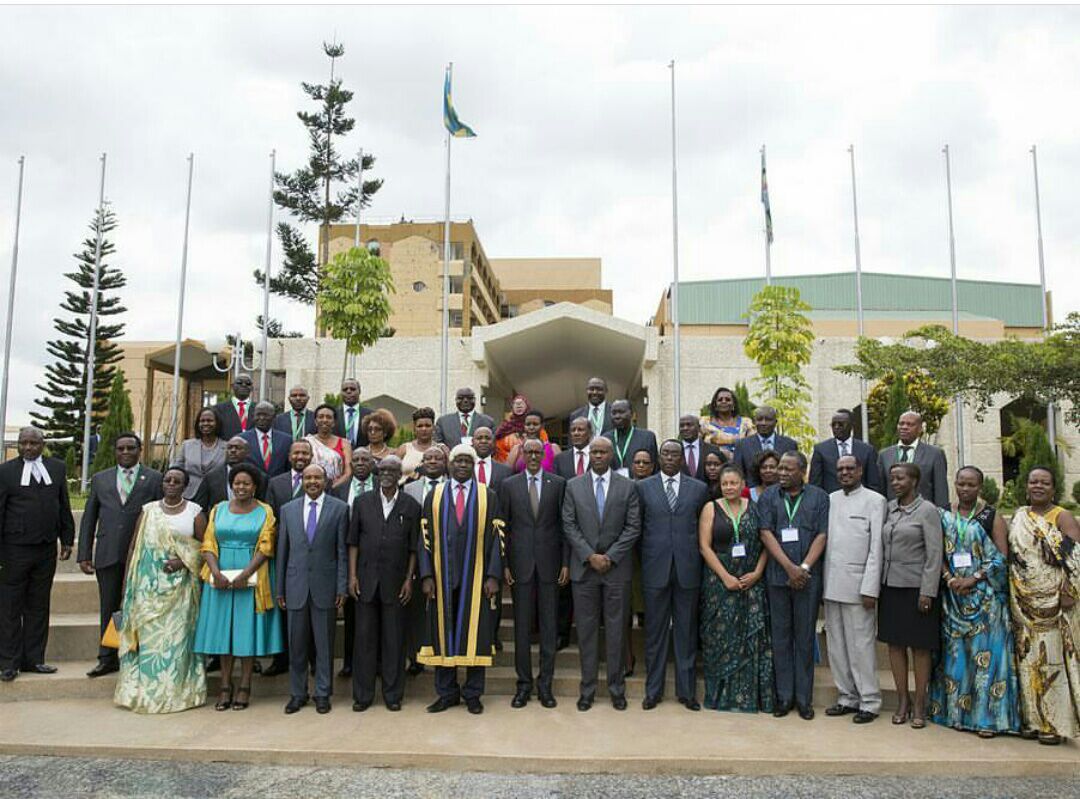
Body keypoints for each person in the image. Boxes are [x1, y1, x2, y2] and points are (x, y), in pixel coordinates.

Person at [930, 465, 1019, 738]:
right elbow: (937, 550)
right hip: (954, 597)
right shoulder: (944, 513)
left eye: (971, 485)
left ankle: (986, 721)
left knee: (987, 663)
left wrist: (974, 578)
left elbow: (1001, 557)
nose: (965, 489)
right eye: (961, 484)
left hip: (986, 601)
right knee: (957, 658)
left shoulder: (991, 516)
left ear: (980, 487)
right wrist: (949, 577)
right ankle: (955, 715)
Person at [417, 445, 503, 715]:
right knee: (443, 634)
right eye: (458, 461)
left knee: (475, 634)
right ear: (449, 465)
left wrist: (493, 575)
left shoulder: (488, 496)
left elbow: (498, 537)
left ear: (473, 464)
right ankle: (446, 693)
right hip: (441, 577)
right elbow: (424, 538)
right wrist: (427, 575)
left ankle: (473, 694)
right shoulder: (435, 495)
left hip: (476, 576)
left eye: (468, 461)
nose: (463, 465)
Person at [114, 466, 207, 714]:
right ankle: (145, 693)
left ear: (185, 486)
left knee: (177, 642)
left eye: (178, 481)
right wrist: (127, 587)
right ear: (162, 483)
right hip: (147, 589)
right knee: (149, 642)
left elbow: (204, 549)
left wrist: (182, 561)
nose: (172, 484)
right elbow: (135, 548)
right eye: (168, 480)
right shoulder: (149, 511)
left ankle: (176, 694)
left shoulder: (195, 513)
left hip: (181, 591)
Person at [193, 463, 284, 711]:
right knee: (224, 632)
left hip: (252, 576)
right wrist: (215, 571)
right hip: (220, 578)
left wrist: (245, 574)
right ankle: (224, 685)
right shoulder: (218, 509)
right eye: (236, 483)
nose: (240, 487)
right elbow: (209, 543)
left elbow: (267, 546)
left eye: (246, 483)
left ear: (255, 486)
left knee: (245, 632)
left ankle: (244, 685)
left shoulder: (265, 511)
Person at [561, 437, 641, 711]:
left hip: (616, 570)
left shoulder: (628, 486)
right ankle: (587, 690)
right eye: (593, 451)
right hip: (584, 571)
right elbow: (568, 524)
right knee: (586, 632)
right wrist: (589, 556)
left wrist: (610, 556)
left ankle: (617, 689)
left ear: (611, 456)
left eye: (602, 452)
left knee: (617, 631)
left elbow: (633, 526)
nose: (597, 455)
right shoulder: (573, 486)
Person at [78, 432, 164, 677]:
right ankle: (107, 657)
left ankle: (139, 654)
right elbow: (89, 518)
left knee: (141, 606)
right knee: (109, 606)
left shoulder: (155, 478)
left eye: (130, 448)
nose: (125, 452)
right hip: (108, 553)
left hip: (142, 554)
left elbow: (160, 516)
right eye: (121, 448)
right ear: (115, 451)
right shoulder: (101, 479)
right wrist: (84, 553)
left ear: (140, 450)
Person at [1007, 466, 1080, 744]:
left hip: (1053, 604)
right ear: (1026, 486)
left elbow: (1076, 561)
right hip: (1022, 601)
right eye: (1033, 481)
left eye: (1044, 482)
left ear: (1053, 488)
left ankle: (1054, 724)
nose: (1038, 486)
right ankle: (1032, 720)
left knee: (1051, 662)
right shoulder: (1019, 516)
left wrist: (1069, 591)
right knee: (1026, 662)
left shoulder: (1063, 517)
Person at [637, 440, 710, 711]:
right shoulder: (643, 487)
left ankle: (686, 692)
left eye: (675, 454)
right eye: (665, 453)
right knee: (654, 634)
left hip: (688, 571)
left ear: (683, 458)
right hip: (654, 569)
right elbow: (638, 529)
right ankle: (653, 691)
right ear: (659, 457)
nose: (670, 457)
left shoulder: (699, 489)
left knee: (686, 633)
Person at [758, 450, 829, 720]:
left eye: (788, 469)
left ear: (802, 471)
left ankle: (804, 699)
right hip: (778, 577)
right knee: (781, 638)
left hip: (807, 580)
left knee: (804, 637)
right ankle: (784, 697)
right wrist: (789, 567)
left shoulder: (819, 497)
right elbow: (765, 532)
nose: (782, 473)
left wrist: (804, 568)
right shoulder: (768, 497)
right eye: (780, 469)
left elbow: (823, 534)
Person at [0, 427, 75, 682]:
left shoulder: (56, 468)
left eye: (34, 443)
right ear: (18, 445)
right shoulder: (6, 471)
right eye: (24, 443)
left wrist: (66, 538)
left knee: (38, 605)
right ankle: (8, 662)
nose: (28, 447)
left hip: (45, 549)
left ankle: (34, 659)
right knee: (10, 606)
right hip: (14, 548)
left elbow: (63, 504)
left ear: (43, 444)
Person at [498, 438, 568, 709]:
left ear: (544, 454)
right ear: (522, 455)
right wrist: (504, 564)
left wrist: (565, 563)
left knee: (549, 629)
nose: (535, 457)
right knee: (522, 629)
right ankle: (524, 685)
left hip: (551, 565)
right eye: (530, 452)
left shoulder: (558, 484)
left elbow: (564, 527)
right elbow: (502, 527)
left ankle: (545, 686)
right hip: (520, 566)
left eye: (539, 452)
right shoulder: (509, 485)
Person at [348, 455, 420, 712]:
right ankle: (363, 696)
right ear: (376, 473)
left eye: (393, 469)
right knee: (364, 641)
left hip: (396, 582)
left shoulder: (410, 505)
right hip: (366, 582)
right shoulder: (362, 502)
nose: (387, 473)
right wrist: (352, 576)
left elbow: (414, 548)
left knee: (394, 641)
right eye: (383, 469)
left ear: (400, 474)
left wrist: (409, 580)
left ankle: (393, 695)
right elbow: (353, 542)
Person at [698, 464, 773, 712]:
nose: (729, 487)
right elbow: (705, 547)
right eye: (725, 484)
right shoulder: (711, 508)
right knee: (721, 639)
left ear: (743, 485)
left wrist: (758, 572)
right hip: (719, 583)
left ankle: (750, 698)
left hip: (751, 582)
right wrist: (725, 576)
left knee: (750, 639)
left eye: (734, 483)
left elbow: (765, 543)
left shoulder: (755, 507)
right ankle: (721, 698)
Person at [276, 464, 349, 715]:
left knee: (324, 645)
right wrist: (280, 590)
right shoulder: (287, 510)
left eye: (317, 477)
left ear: (326, 481)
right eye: (308, 478)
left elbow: (341, 552)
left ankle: (322, 693)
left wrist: (341, 587)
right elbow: (282, 552)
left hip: (325, 587)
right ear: (302, 481)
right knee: (296, 645)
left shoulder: (340, 510)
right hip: (295, 587)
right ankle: (297, 694)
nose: (312, 482)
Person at [878, 462, 944, 729]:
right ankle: (902, 701)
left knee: (919, 647)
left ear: (914, 481)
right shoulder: (890, 509)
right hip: (890, 587)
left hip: (917, 589)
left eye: (901, 478)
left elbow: (934, 553)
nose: (895, 483)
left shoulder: (927, 510)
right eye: (892, 478)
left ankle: (919, 704)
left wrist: (928, 591)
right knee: (895, 645)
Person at [822, 455, 886, 724]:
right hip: (831, 583)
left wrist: (870, 588)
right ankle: (846, 697)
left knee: (861, 646)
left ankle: (869, 701)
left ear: (860, 471)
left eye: (850, 468)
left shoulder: (875, 500)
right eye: (840, 469)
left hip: (860, 586)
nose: (845, 473)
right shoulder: (831, 499)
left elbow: (876, 548)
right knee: (836, 646)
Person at [261, 439, 315, 678]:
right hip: (285, 552)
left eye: (305, 453)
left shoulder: (320, 480)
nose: (300, 457)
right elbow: (270, 517)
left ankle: (313, 659)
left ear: (312, 456)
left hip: (312, 553)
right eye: (296, 453)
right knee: (284, 609)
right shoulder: (276, 483)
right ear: (289, 456)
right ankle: (282, 659)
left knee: (312, 609)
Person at [332, 446, 377, 678]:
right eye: (356, 459)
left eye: (365, 459)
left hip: (375, 560)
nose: (359, 463)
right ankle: (349, 661)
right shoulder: (339, 490)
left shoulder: (383, 486)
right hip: (347, 556)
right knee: (350, 615)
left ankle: (376, 662)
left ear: (372, 464)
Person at [403, 446, 448, 674]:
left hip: (447, 557)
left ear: (444, 462)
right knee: (416, 610)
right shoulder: (409, 488)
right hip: (417, 556)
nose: (432, 461)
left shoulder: (452, 486)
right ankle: (416, 657)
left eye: (437, 458)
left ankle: (443, 652)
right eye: (427, 458)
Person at [877, 412, 949, 508]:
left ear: (920, 429)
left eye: (910, 424)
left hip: (923, 514)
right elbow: (880, 490)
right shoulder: (884, 455)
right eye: (901, 424)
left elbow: (941, 490)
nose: (904, 427)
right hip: (893, 515)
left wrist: (941, 515)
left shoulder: (935, 454)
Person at [809, 409, 881, 494]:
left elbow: (873, 483)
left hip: (861, 502)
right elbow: (815, 485)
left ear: (851, 425)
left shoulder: (867, 450)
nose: (836, 427)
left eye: (841, 424)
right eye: (833, 425)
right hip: (831, 502)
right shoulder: (821, 450)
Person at [193, 436, 267, 509]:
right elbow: (200, 507)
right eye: (229, 448)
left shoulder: (260, 477)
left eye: (237, 448)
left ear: (247, 452)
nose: (233, 450)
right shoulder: (211, 477)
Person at [734, 406, 798, 488]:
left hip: (783, 494)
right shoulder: (742, 445)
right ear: (754, 422)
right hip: (752, 496)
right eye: (760, 419)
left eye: (768, 419)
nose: (763, 423)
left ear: (775, 422)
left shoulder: (789, 444)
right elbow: (738, 474)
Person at [175, 407, 226, 501]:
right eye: (202, 421)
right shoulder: (187, 445)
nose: (206, 423)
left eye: (210, 420)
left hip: (216, 496)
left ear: (217, 423)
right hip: (189, 495)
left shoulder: (227, 447)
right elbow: (176, 469)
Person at [605, 399, 658, 476]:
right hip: (613, 485)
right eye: (614, 413)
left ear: (632, 414)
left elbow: (655, 468)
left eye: (621, 412)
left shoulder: (647, 437)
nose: (617, 416)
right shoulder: (605, 439)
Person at [305, 403, 353, 489]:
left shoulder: (344, 443)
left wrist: (332, 488)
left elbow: (348, 473)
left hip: (337, 489)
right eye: (321, 417)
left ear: (334, 422)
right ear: (316, 422)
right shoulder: (306, 442)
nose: (325, 420)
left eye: (329, 417)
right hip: (310, 487)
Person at [241, 401, 293, 478]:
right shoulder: (242, 439)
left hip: (277, 486)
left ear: (274, 417)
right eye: (258, 415)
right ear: (253, 416)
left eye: (266, 415)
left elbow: (289, 467)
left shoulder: (287, 440)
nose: (261, 418)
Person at [700, 387, 754, 458]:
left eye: (728, 400)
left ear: (733, 404)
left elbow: (753, 444)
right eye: (720, 400)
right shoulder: (704, 423)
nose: (724, 401)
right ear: (715, 404)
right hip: (714, 465)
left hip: (740, 463)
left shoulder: (746, 423)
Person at [506, 409, 561, 473]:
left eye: (535, 424)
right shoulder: (517, 449)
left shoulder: (553, 448)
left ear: (542, 426)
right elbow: (506, 473)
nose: (531, 427)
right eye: (528, 424)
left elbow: (562, 472)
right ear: (524, 426)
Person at [397, 407, 443, 481]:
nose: (424, 429)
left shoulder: (440, 450)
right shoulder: (404, 449)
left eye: (427, 425)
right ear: (414, 428)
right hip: (406, 490)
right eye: (420, 426)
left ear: (433, 428)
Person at [678, 414, 722, 482]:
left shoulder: (712, 449)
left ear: (699, 428)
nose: (685, 428)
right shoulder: (675, 451)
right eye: (682, 426)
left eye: (689, 425)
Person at [212, 373, 254, 440]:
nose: (244, 385)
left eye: (248, 384)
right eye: (239, 383)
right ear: (232, 386)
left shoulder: (258, 410)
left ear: (252, 388)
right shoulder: (218, 409)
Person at [472, 426, 512, 496]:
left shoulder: (505, 471)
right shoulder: (464, 469)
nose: (483, 441)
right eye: (479, 438)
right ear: (472, 442)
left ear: (494, 442)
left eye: (488, 438)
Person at [334, 378, 373, 450]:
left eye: (352, 389)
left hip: (362, 457)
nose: (348, 391)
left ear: (359, 391)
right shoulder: (333, 414)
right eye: (345, 389)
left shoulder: (370, 415)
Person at [493, 393, 532, 464]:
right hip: (507, 465)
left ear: (527, 407)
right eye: (516, 404)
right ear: (512, 408)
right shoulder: (505, 427)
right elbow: (497, 447)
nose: (519, 405)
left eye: (521, 403)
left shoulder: (534, 426)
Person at [553, 417, 592, 481]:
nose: (576, 433)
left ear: (589, 433)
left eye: (580, 430)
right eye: (573, 430)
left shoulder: (599, 456)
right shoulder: (559, 459)